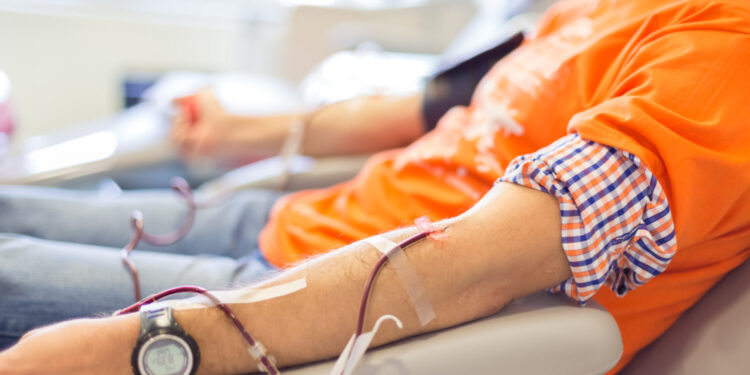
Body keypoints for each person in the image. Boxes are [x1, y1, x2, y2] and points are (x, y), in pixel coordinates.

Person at [1, 0, 749, 373]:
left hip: (303, 288)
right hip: (290, 218)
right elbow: (417, 111)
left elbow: (473, 265)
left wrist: (147, 343)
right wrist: (241, 132)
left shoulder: (723, 63)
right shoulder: (602, 12)